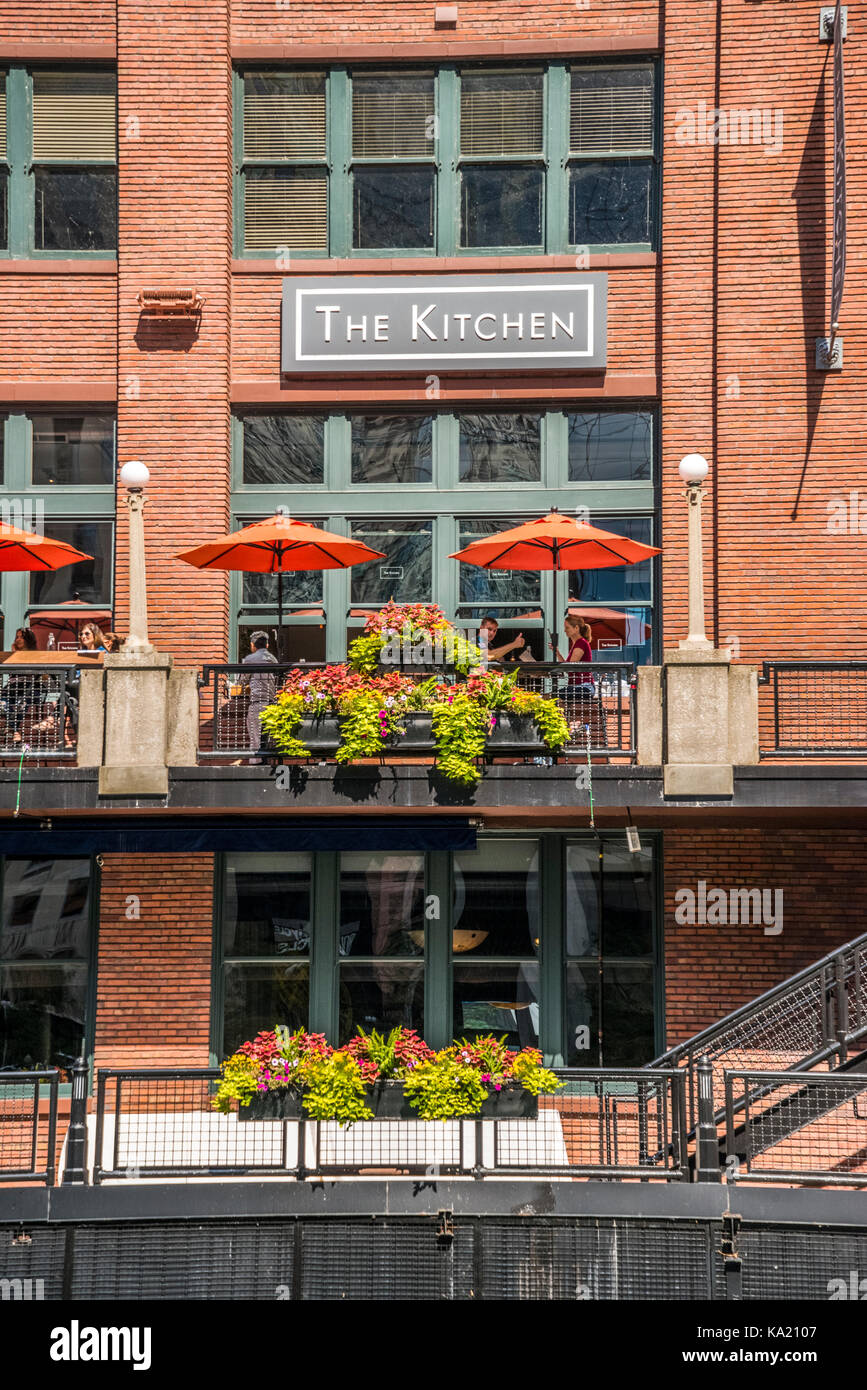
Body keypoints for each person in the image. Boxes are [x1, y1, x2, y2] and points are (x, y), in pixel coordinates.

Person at [239, 630, 278, 764]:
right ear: (267, 645)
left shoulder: (250, 659)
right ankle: (268, 764)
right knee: (268, 737)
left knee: (255, 735)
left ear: (252, 645)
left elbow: (242, 681)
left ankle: (256, 765)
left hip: (257, 702)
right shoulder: (273, 659)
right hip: (271, 703)